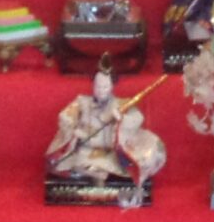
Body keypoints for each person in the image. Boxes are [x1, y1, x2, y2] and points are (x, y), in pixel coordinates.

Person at [45, 66, 168, 197]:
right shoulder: (82, 101)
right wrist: (74, 130)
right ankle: (94, 173)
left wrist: (122, 118)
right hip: (86, 149)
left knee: (125, 164)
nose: (101, 90)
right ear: (93, 85)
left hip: (112, 153)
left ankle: (98, 174)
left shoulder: (122, 104)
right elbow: (65, 116)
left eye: (105, 87)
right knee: (65, 163)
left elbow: (138, 118)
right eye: (98, 86)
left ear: (112, 86)